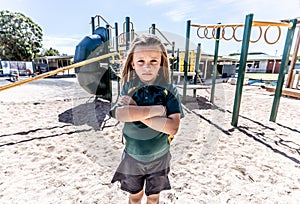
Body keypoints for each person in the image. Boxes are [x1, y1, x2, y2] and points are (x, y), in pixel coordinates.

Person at [109, 34, 184, 203]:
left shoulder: (169, 90)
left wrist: (134, 111)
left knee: (153, 197)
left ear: (162, 63)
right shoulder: (129, 87)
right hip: (132, 156)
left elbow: (172, 127)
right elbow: (119, 114)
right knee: (135, 197)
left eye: (153, 61)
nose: (147, 67)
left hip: (160, 157)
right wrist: (156, 110)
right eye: (141, 61)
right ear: (132, 63)